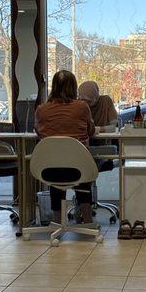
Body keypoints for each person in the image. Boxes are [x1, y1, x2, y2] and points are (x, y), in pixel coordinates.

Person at [35, 70, 96, 224]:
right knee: (82, 173)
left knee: (57, 172)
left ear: (53, 87)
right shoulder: (82, 107)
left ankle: (57, 222)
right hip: (79, 168)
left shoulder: (41, 110)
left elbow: (38, 132)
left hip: (49, 169)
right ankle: (88, 222)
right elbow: (91, 131)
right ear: (74, 87)